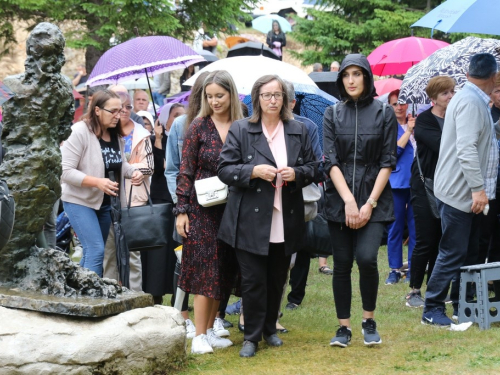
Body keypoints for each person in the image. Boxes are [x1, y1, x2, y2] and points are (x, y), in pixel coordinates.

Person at [218, 74, 317, 358]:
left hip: (285, 217)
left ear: (285, 100)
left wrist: (296, 173)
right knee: (252, 279)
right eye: (266, 95)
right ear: (257, 99)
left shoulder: (298, 129)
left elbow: (314, 168)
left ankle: (270, 329)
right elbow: (225, 170)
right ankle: (251, 336)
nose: (272, 100)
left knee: (276, 277)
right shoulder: (241, 129)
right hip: (249, 218)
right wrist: (253, 171)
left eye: (277, 95)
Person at [323, 54, 397, 347]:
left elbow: (387, 161)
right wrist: (349, 202)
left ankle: (368, 320)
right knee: (341, 264)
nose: (351, 80)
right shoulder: (332, 114)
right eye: (346, 75)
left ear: (367, 77)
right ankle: (343, 327)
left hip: (374, 198)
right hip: (339, 200)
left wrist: (368, 204)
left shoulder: (384, 112)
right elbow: (330, 161)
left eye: (357, 74)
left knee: (367, 258)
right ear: (341, 79)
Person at [422, 53, 499, 327]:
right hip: (460, 193)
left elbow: (482, 139)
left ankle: (464, 306)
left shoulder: (474, 98)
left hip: (469, 193)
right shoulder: (469, 102)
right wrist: (478, 190)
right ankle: (431, 308)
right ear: (493, 76)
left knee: (468, 252)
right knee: (453, 252)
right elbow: (466, 150)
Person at [175, 70, 243, 354]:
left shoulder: (243, 125)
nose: (214, 101)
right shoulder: (199, 126)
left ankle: (213, 327)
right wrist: (182, 210)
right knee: (206, 270)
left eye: (220, 96)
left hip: (233, 207)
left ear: (231, 95)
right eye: (209, 96)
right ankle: (199, 336)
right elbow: (185, 169)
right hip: (202, 208)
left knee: (224, 268)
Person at [61, 90, 144, 277]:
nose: (119, 115)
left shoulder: (115, 134)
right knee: (96, 251)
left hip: (106, 205)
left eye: (121, 110)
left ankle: (77, 294)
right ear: (97, 110)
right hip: (79, 201)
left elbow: (119, 163)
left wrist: (133, 172)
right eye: (113, 111)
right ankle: (91, 301)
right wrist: (97, 182)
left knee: (92, 254)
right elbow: (65, 171)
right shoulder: (79, 131)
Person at [165, 71, 210, 340]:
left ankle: (211, 319)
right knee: (183, 260)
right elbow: (171, 169)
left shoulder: (223, 124)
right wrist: (180, 203)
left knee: (213, 262)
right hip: (186, 203)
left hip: (213, 203)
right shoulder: (181, 124)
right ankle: (181, 315)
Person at [405, 76, 455, 308]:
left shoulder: (455, 118)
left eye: (452, 92)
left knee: (442, 238)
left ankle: (435, 287)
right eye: (445, 93)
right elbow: (442, 145)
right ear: (433, 98)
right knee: (426, 238)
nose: (451, 96)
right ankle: (414, 290)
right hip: (425, 184)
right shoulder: (424, 120)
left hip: (449, 184)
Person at [103, 91, 153, 291]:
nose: (123, 111)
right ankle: (109, 290)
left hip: (134, 200)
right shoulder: (106, 134)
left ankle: (135, 296)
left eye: (127, 107)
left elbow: (149, 166)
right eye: (119, 107)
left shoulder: (141, 135)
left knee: (133, 252)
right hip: (108, 198)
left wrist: (130, 168)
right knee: (109, 250)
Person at [141, 104, 185, 306]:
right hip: (159, 202)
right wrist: (158, 138)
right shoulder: (154, 140)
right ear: (165, 119)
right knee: (158, 254)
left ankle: (179, 299)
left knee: (179, 252)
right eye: (175, 115)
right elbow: (157, 168)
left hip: (180, 201)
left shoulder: (186, 140)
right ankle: (156, 295)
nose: (179, 120)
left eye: (183, 116)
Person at [385, 90, 416, 285]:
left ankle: (414, 267)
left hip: (418, 182)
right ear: (389, 106)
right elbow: (393, 151)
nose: (399, 106)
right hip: (396, 183)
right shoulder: (387, 127)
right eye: (395, 103)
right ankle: (395, 269)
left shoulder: (420, 122)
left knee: (415, 228)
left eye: (403, 102)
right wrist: (409, 131)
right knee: (395, 228)